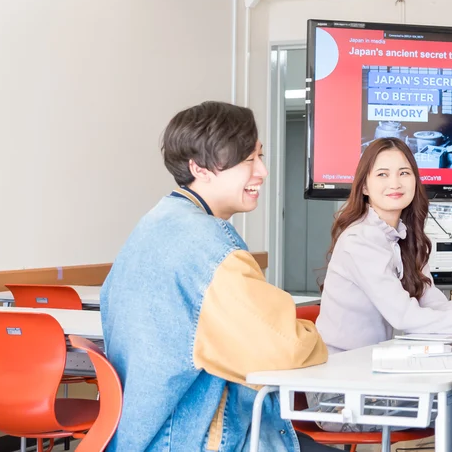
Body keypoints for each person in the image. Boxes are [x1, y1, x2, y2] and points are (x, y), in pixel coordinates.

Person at [101, 101, 335, 452]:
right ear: (200, 168)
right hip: (193, 439)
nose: (262, 172)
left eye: (260, 156)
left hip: (140, 435)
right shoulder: (209, 248)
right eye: (248, 160)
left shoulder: (154, 224)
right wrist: (311, 334)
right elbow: (283, 348)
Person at [311, 138, 452, 451]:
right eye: (382, 175)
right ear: (363, 186)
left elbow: (433, 304)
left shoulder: (406, 236)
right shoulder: (360, 240)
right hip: (342, 396)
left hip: (379, 379)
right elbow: (404, 316)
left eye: (404, 173)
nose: (395, 182)